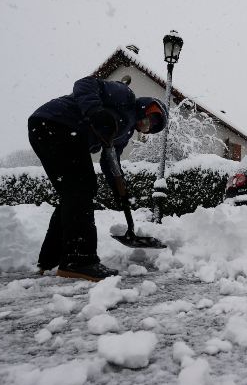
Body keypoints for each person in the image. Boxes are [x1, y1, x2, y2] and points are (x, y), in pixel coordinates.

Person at [28, 75, 168, 282]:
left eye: (149, 127)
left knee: (73, 194)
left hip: (49, 129)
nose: (145, 124)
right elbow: (84, 84)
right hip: (57, 123)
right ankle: (80, 260)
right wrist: (94, 110)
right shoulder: (125, 95)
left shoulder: (123, 134)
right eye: (149, 117)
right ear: (145, 106)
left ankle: (50, 259)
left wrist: (120, 191)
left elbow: (110, 162)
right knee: (81, 189)